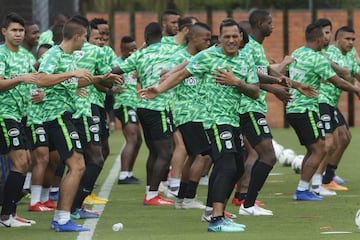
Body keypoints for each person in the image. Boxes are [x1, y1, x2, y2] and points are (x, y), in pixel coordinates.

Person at [140, 18, 259, 233]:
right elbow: (182, 74)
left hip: (233, 120)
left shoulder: (246, 59)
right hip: (212, 119)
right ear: (220, 38)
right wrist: (159, 89)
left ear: (240, 37)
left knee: (238, 166)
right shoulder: (208, 56)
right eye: (226, 37)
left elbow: (255, 91)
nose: (231, 40)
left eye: (235, 36)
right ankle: (215, 218)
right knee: (225, 164)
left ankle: (213, 211)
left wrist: (237, 83)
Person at [287, 22, 360, 201]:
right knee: (321, 147)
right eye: (326, 35)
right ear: (320, 39)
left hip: (295, 107)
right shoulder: (318, 58)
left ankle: (309, 187)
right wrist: (356, 89)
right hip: (310, 106)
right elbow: (338, 81)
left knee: (319, 147)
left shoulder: (297, 52)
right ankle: (310, 187)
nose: (327, 38)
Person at [37, 15, 94, 232]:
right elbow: (41, 79)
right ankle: (61, 219)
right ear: (78, 36)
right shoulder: (54, 54)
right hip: (56, 116)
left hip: (66, 116)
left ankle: (62, 217)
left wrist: (83, 82)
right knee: (77, 166)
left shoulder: (69, 56)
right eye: (85, 37)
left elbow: (64, 80)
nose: (85, 41)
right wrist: (72, 74)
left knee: (76, 165)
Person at [112, 22, 175, 206]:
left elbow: (117, 70)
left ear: (146, 38)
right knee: (165, 152)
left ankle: (150, 192)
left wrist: (103, 78)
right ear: (161, 35)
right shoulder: (169, 50)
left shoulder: (139, 54)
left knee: (154, 152)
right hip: (160, 105)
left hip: (142, 105)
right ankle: (152, 195)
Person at [0, 12, 38, 228]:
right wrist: (21, 78)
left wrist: (37, 93)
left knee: (25, 163)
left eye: (21, 30)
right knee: (21, 162)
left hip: (21, 115)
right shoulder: (1, 54)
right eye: (14, 30)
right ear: (4, 31)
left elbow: (32, 83)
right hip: (5, 115)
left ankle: (10, 214)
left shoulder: (26, 57)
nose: (19, 34)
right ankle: (6, 216)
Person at [313, 25, 360, 195]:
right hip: (321, 100)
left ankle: (328, 177)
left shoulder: (350, 56)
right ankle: (319, 182)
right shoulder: (329, 53)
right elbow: (328, 66)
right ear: (337, 39)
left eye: (353, 39)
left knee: (345, 138)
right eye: (347, 39)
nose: (351, 42)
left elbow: (356, 74)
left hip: (331, 103)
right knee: (330, 142)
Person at [113, 36, 142, 184]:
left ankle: (129, 173)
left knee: (138, 140)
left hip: (134, 103)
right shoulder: (116, 64)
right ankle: (123, 175)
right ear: (122, 50)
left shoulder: (134, 64)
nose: (132, 52)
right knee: (131, 138)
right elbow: (106, 82)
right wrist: (112, 89)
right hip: (123, 104)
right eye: (129, 50)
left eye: (134, 49)